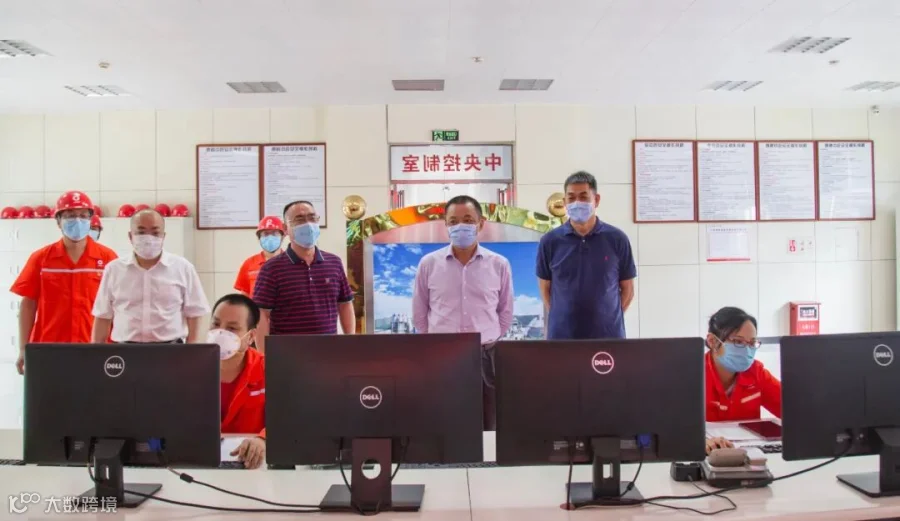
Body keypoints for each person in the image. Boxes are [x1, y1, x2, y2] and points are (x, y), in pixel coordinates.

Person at [412, 195, 513, 430]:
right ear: (446, 225)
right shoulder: (428, 263)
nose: (460, 226)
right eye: (453, 221)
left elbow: (506, 311)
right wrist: (438, 342)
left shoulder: (499, 264)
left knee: (489, 422)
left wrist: (489, 338)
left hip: (486, 355)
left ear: (480, 224)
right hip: (442, 354)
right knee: (444, 421)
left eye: (468, 220)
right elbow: (419, 312)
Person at [9, 191, 118, 374]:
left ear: (90, 219)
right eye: (70, 215)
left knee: (93, 393)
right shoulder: (41, 259)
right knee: (49, 393)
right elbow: (28, 306)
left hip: (95, 350)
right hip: (48, 349)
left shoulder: (107, 258)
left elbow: (118, 306)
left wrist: (119, 348)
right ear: (58, 221)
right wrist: (22, 349)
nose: (78, 220)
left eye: (83, 215)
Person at [536, 171, 636, 340]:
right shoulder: (550, 241)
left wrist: (608, 319)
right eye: (571, 198)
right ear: (564, 202)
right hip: (562, 337)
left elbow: (628, 289)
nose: (577, 203)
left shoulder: (617, 239)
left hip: (608, 337)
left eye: (583, 197)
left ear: (596, 200)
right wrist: (563, 318)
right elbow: (545, 289)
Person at [90, 209, 210, 344]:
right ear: (130, 236)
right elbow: (102, 315)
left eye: (155, 233)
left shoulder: (183, 268)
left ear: (163, 236)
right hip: (125, 350)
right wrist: (96, 353)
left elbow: (195, 314)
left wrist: (192, 351)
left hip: (171, 349)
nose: (148, 239)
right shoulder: (114, 269)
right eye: (141, 232)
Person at [252, 200, 355, 352]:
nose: (307, 224)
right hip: (288, 354)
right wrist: (264, 356)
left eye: (312, 218)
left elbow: (345, 304)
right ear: (286, 229)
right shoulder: (271, 269)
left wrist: (350, 343)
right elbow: (261, 314)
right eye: (299, 219)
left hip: (329, 352)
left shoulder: (334, 263)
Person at [704, 306, 782, 454]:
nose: (747, 350)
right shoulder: (693, 375)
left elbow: (794, 409)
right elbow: (673, 425)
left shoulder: (756, 373)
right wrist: (699, 440)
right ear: (712, 341)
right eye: (738, 342)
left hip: (749, 457)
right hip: (706, 457)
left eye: (752, 343)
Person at [208, 293, 266, 469]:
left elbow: (287, 416)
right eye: (216, 324)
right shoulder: (190, 368)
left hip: (251, 464)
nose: (221, 332)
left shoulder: (268, 368)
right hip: (201, 463)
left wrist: (263, 439)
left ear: (250, 336)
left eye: (232, 328)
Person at [234, 216, 285, 297]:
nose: (270, 238)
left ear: (282, 237)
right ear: (259, 238)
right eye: (265, 234)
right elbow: (245, 296)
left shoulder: (291, 262)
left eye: (274, 233)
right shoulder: (249, 263)